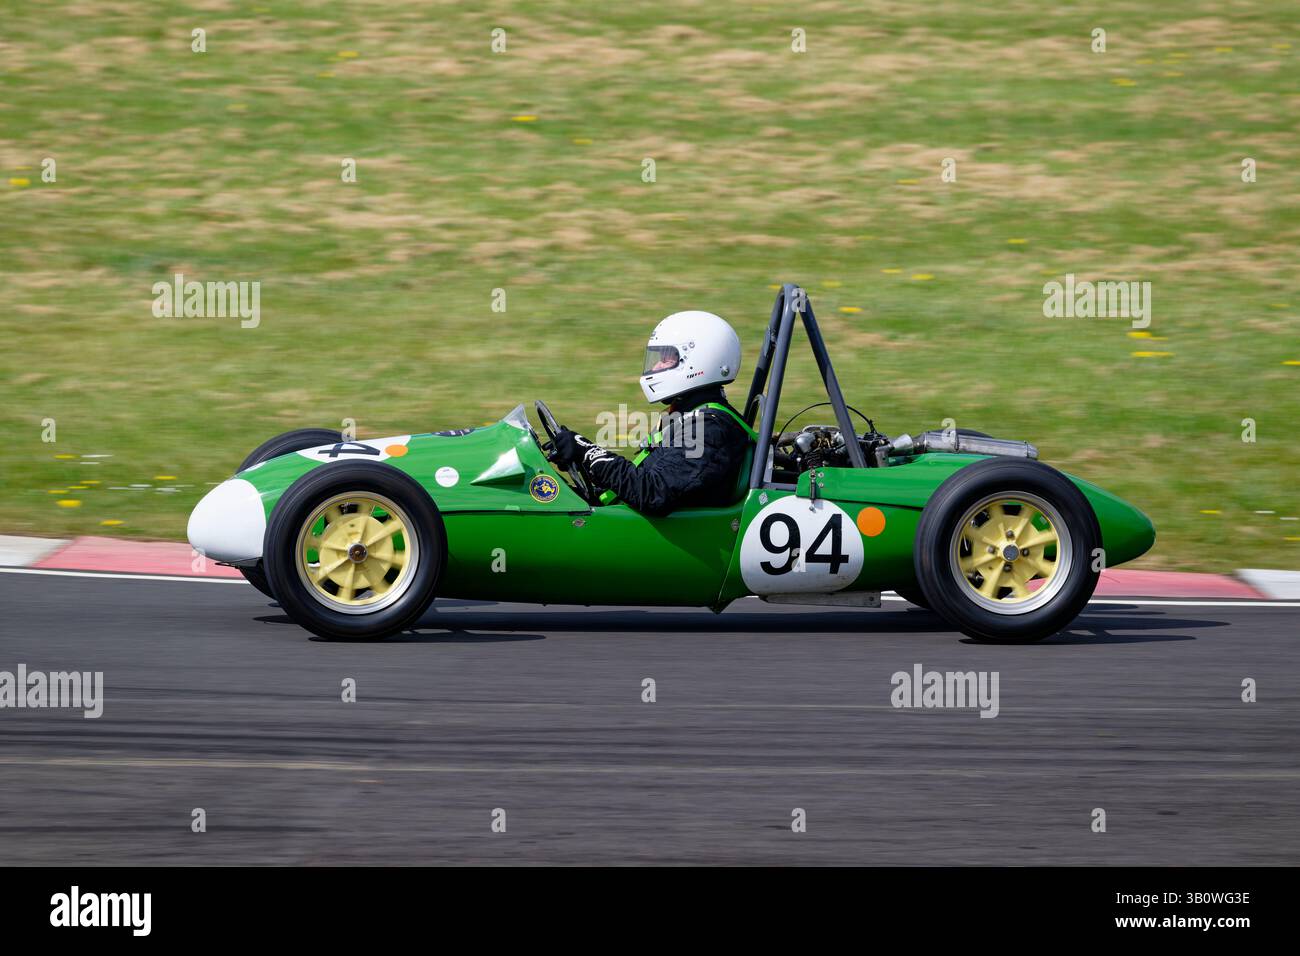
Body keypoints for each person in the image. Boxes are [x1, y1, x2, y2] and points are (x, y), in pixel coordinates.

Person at [551, 311, 756, 517]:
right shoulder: (688, 417)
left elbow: (651, 492)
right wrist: (585, 461)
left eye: (666, 359)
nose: (656, 366)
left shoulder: (707, 430)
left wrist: (588, 453)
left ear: (699, 361)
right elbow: (645, 479)